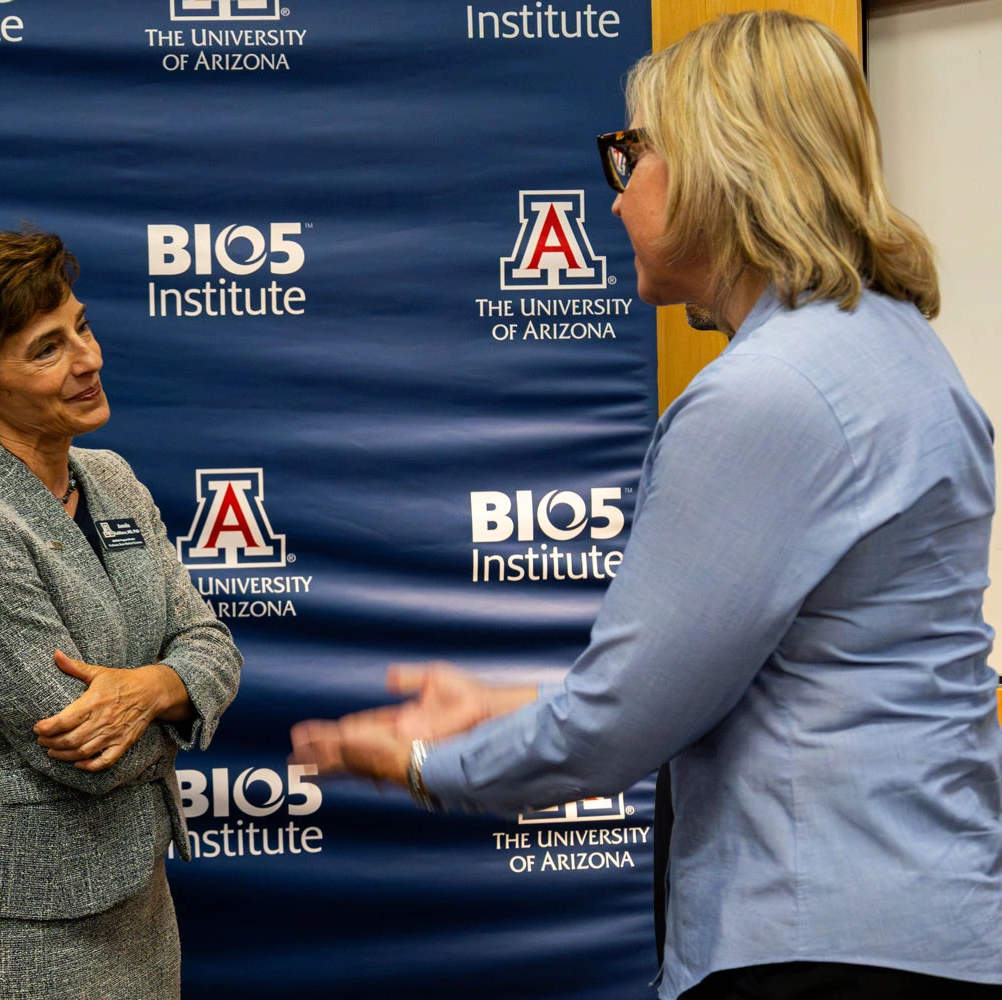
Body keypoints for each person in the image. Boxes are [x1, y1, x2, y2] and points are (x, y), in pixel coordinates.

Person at [290, 12, 1002, 1000]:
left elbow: (618, 722)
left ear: (719, 165)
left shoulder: (767, 393)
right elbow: (766, 674)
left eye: (630, 154)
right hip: (918, 922)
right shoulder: (899, 349)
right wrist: (501, 707)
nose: (615, 201)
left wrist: (422, 763)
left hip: (812, 943)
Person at [0, 229, 242, 1000]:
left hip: (141, 902)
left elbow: (213, 646)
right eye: (47, 349)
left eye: (81, 327)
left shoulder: (111, 478)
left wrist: (151, 688)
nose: (88, 359)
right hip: (27, 934)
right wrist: (182, 691)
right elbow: (93, 759)